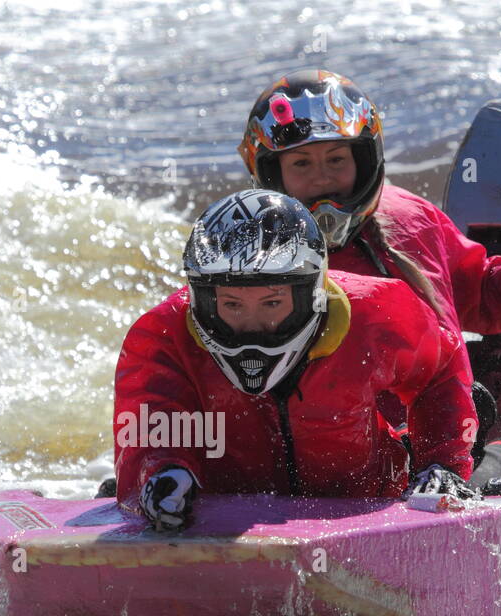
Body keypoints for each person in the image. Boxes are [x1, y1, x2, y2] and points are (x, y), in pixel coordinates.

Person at [237, 70, 501, 485]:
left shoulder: (410, 221)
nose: (322, 178)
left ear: (364, 160)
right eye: (301, 163)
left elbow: (477, 284)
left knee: (476, 475)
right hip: (323, 451)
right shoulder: (245, 253)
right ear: (271, 173)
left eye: (337, 160)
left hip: (431, 448)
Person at [114, 189, 477, 531]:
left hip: (368, 509)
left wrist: (441, 463)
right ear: (203, 300)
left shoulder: (378, 311)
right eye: (232, 305)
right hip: (227, 521)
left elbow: (440, 370)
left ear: (311, 294)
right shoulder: (162, 335)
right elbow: (154, 424)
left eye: (271, 303)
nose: (252, 328)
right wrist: (164, 473)